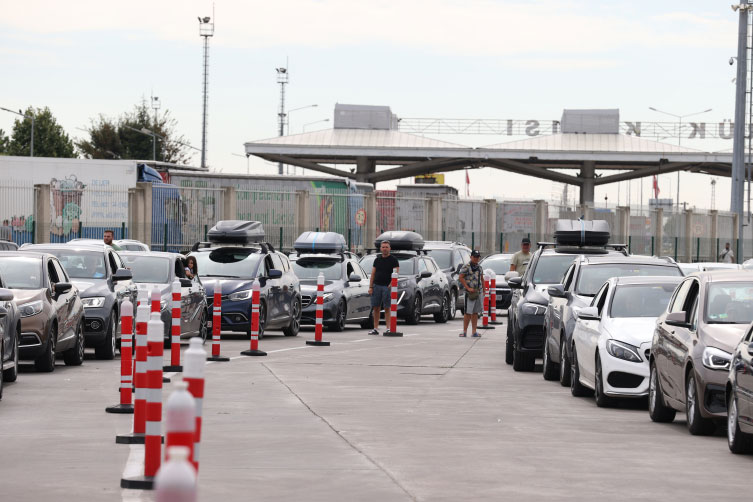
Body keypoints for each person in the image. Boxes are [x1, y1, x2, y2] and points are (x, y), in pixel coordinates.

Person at [368, 240, 399, 335]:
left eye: (386, 247)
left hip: (387, 287)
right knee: (376, 307)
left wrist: (391, 284)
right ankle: (375, 328)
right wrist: (371, 286)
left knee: (387, 307)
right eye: (383, 247)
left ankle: (388, 328)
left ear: (390, 248)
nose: (385, 249)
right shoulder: (377, 259)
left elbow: (396, 272)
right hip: (376, 286)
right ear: (380, 248)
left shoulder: (394, 260)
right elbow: (373, 273)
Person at [459, 250, 485, 337]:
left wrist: (484, 291)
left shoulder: (480, 267)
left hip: (478, 292)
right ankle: (464, 331)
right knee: (467, 313)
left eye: (478, 257)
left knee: (475, 312)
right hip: (469, 293)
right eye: (475, 257)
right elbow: (461, 278)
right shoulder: (466, 267)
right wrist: (468, 288)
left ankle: (474, 332)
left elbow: (482, 279)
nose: (476, 258)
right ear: (471, 257)